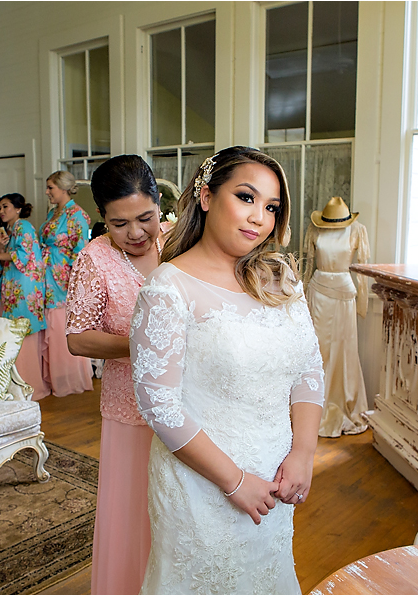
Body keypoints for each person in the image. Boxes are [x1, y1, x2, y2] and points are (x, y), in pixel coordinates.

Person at [130, 146, 325, 594]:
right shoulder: (167, 287)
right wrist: (233, 480)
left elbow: (308, 369)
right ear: (205, 196)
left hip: (276, 483)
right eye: (246, 197)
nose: (259, 217)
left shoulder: (280, 278)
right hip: (203, 486)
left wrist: (304, 452)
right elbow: (159, 405)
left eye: (271, 207)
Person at [64, 155, 163, 595]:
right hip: (131, 409)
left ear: (160, 204)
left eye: (146, 217)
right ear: (102, 217)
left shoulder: (181, 242)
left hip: (193, 403)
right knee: (134, 511)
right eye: (120, 224)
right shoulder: (94, 258)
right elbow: (78, 339)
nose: (137, 233)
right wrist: (148, 348)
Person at [303, 196, 370, 437]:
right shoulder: (314, 229)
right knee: (317, 351)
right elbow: (308, 265)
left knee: (344, 351)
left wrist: (362, 302)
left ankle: (343, 405)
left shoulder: (357, 230)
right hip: (318, 291)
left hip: (343, 294)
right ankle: (311, 408)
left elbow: (361, 271)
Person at [38, 171, 93, 396]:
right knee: (50, 321)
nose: (47, 192)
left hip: (61, 278)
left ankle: (68, 378)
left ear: (63, 188)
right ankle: (53, 376)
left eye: (50, 187)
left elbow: (81, 253)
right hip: (46, 274)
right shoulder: (54, 213)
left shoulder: (77, 215)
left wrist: (72, 281)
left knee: (59, 323)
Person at [0, 193, 49, 395]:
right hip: (15, 282)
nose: (1, 211)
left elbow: (24, 255)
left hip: (24, 286)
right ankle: (16, 384)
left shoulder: (23, 226)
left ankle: (27, 384)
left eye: (5, 207)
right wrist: (1, 247)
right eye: (0, 207)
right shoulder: (10, 229)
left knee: (22, 331)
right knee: (15, 330)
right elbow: (12, 256)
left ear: (18, 209)